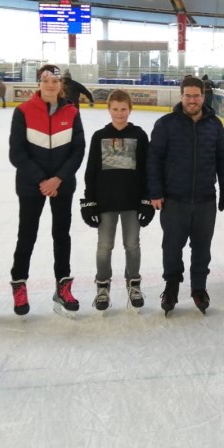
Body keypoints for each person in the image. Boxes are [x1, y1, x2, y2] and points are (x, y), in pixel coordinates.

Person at [147, 75, 224, 315]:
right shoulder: (166, 124)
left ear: (203, 97)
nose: (192, 100)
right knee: (172, 247)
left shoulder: (214, 125)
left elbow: (223, 158)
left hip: (205, 199)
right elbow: (154, 159)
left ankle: (199, 288)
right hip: (174, 199)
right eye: (188, 95)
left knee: (202, 248)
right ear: (181, 96)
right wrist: (155, 192)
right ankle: (171, 287)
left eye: (197, 96)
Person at [8, 64, 86, 316]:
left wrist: (58, 179)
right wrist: (43, 180)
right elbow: (16, 153)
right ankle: (19, 285)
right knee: (27, 235)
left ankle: (62, 286)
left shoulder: (72, 112)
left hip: (62, 186)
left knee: (61, 235)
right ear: (38, 84)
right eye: (45, 80)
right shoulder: (23, 111)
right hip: (31, 186)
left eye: (55, 80)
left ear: (61, 84)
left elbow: (78, 150)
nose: (50, 85)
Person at [81, 89, 153, 312]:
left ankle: (134, 284)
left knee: (132, 245)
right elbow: (91, 170)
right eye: (115, 109)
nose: (120, 113)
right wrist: (89, 201)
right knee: (104, 247)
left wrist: (147, 200)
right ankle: (103, 285)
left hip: (132, 201)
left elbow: (147, 170)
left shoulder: (140, 136)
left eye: (123, 109)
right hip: (105, 202)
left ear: (130, 109)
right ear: (109, 109)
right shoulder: (98, 136)